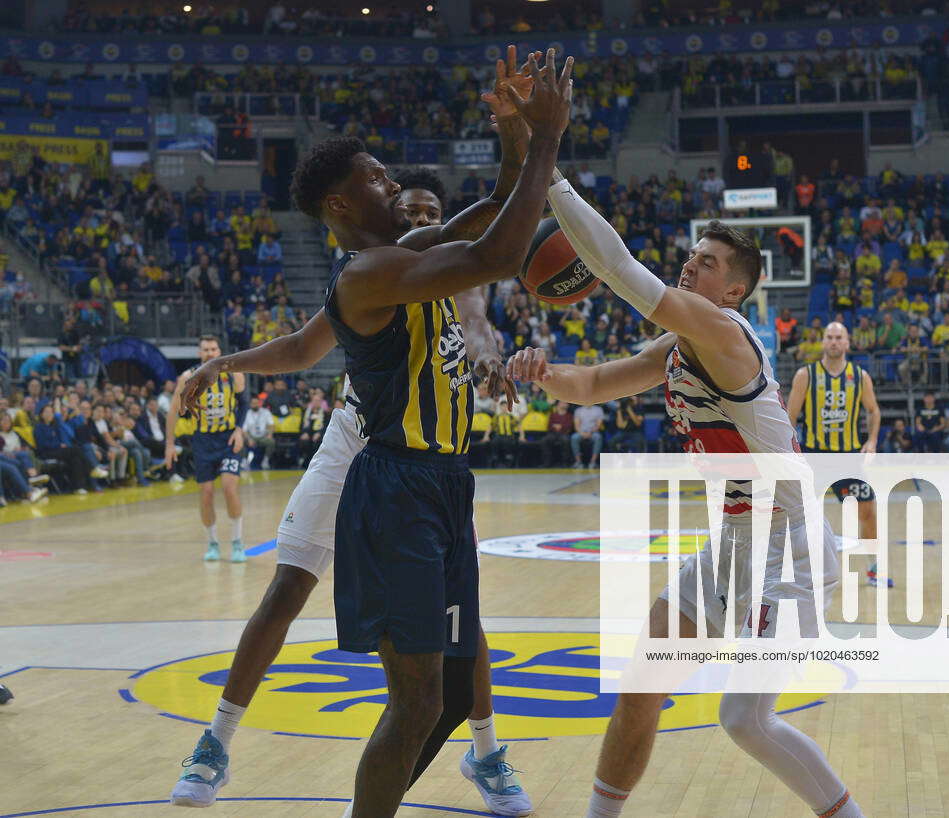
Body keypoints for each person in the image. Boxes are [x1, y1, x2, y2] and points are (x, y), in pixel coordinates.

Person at [169, 46, 567, 817]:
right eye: (380, 180)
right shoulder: (367, 273)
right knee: (401, 687)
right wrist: (549, 137)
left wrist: (516, 132)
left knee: (441, 678)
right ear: (343, 207)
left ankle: (484, 751)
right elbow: (501, 251)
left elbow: (491, 208)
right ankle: (216, 741)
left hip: (443, 477)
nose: (397, 188)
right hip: (389, 472)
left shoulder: (402, 250)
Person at [516, 175, 864, 815]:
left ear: (734, 291)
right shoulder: (679, 347)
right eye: (692, 255)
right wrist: (541, 373)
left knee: (745, 722)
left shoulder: (727, 334)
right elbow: (592, 383)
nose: (690, 264)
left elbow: (619, 268)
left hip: (790, 549)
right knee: (640, 688)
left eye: (707, 263)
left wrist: (552, 180)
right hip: (735, 541)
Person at [785, 321, 884, 585]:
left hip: (848, 458)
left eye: (839, 337)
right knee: (800, 517)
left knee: (868, 512)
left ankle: (873, 568)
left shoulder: (860, 376)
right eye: (829, 337)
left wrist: (871, 441)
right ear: (822, 342)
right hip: (814, 457)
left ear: (848, 342)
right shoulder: (806, 375)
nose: (834, 342)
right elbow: (790, 418)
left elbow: (874, 411)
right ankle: (798, 571)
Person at [165, 334, 247, 563]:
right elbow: (173, 411)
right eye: (205, 349)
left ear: (219, 351)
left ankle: (237, 542)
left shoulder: (234, 374)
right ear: (199, 352)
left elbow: (245, 404)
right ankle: (212, 543)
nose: (210, 353)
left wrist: (239, 429)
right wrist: (170, 444)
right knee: (207, 493)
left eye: (213, 349)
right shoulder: (187, 378)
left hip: (228, 439)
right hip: (202, 439)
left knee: (230, 487)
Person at [241, 395, 275, 469]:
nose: (255, 405)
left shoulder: (266, 412)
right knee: (241, 440)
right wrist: (249, 439)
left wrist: (270, 434)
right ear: (250, 404)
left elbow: (271, 425)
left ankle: (265, 460)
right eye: (253, 403)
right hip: (251, 436)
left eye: (257, 403)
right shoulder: (247, 413)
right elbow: (244, 430)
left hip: (263, 436)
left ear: (260, 403)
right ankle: (244, 461)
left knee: (271, 441)